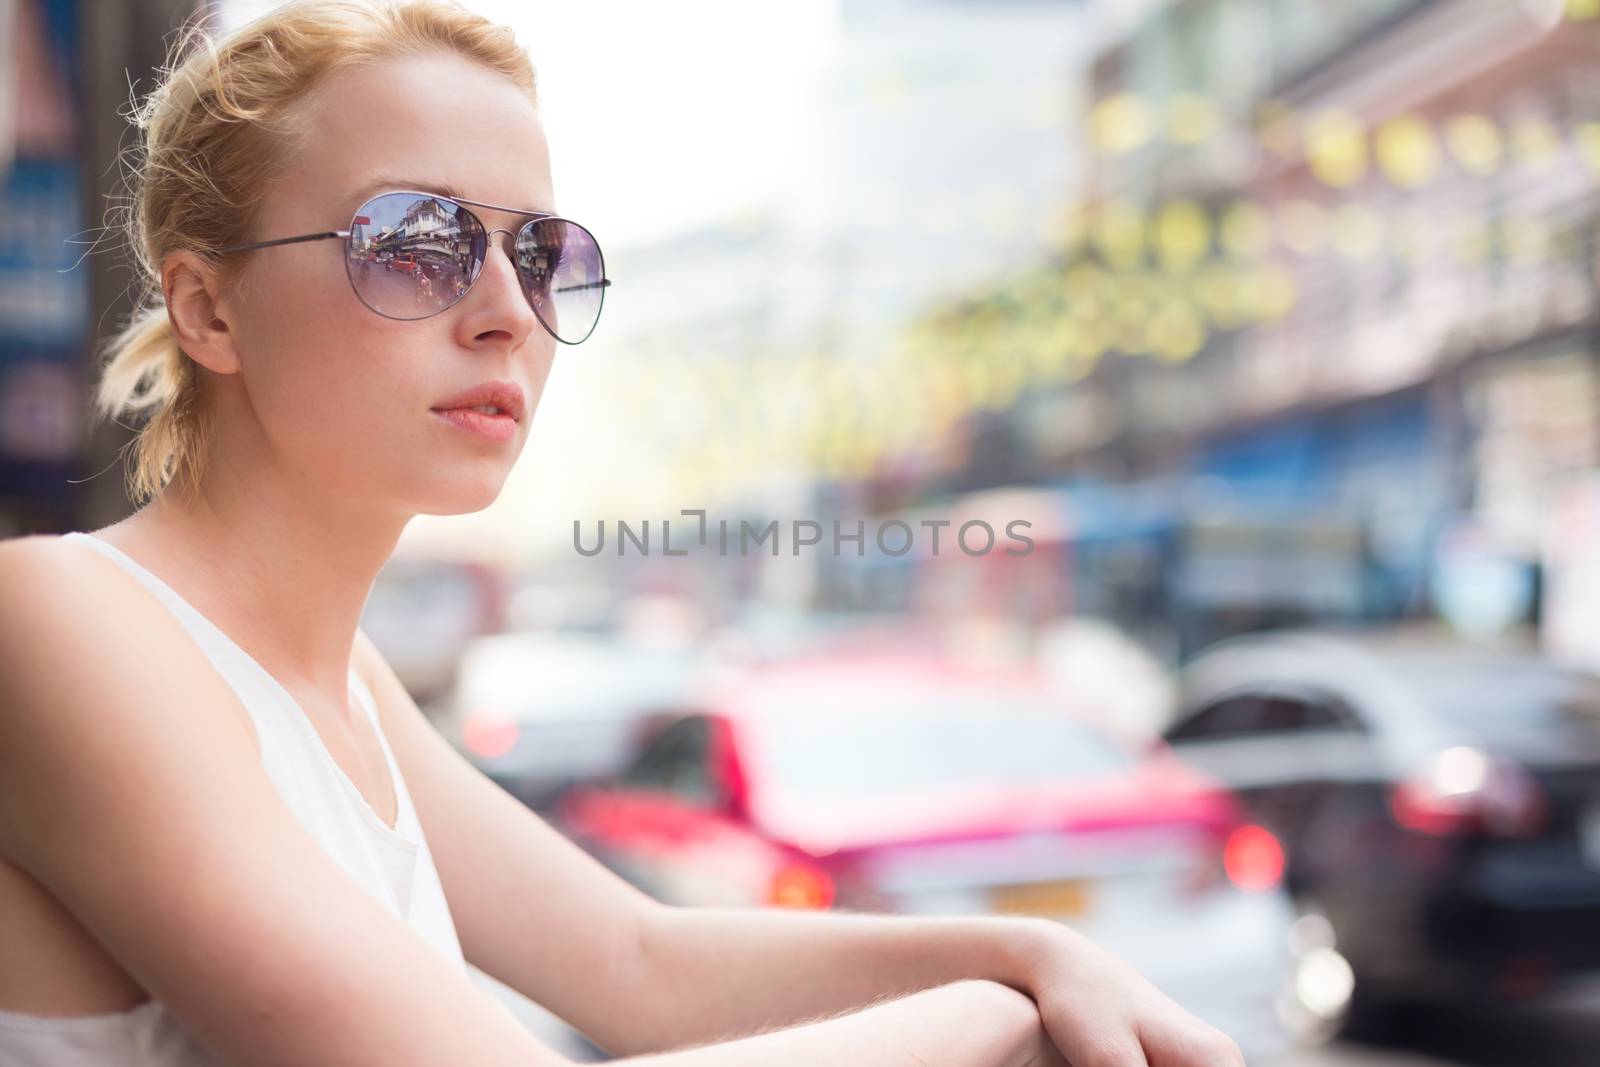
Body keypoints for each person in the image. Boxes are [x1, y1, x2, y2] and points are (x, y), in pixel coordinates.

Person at [0, 3, 1245, 1066]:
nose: (504, 313)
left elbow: (635, 958)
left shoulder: (338, 680)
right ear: (209, 307)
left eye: (539, 254)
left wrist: (1033, 944)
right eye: (415, 243)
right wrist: (995, 1016)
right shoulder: (54, 621)